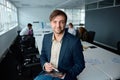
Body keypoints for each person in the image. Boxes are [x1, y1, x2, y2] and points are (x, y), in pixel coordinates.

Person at [34, 10, 85, 80]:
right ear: (50, 23)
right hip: (48, 73)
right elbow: (43, 55)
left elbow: (80, 64)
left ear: (65, 23)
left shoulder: (74, 41)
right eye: (55, 22)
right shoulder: (46, 37)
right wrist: (45, 64)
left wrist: (65, 76)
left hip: (64, 76)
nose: (58, 26)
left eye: (61, 22)